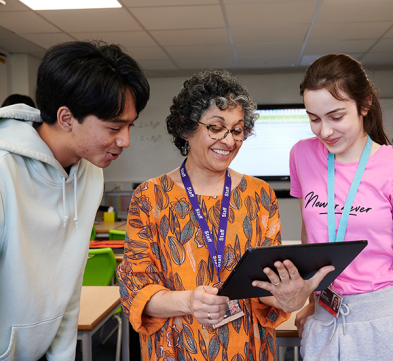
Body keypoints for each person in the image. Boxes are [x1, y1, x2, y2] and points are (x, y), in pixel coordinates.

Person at [117, 69, 332, 361]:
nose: (229, 141)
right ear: (186, 127)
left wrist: (289, 296)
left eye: (238, 129)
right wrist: (189, 301)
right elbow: (135, 292)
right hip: (177, 348)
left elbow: (265, 283)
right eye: (216, 128)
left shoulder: (259, 195)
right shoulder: (150, 197)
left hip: (248, 347)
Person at [0, 41, 150, 360]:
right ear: (66, 118)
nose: (125, 140)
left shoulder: (91, 173)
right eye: (114, 127)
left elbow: (69, 281)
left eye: (129, 126)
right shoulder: (4, 171)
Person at [290, 54, 393, 360]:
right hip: (323, 316)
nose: (324, 131)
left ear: (365, 106)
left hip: (382, 315)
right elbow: (311, 234)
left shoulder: (389, 164)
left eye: (336, 117)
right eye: (314, 118)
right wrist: (311, 301)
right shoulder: (302, 155)